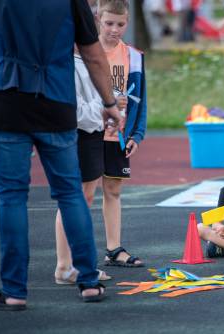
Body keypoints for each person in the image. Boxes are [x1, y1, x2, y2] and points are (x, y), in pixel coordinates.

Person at [0, 0, 124, 309]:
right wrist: (109, 102)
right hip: (54, 99)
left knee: (12, 195)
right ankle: (88, 282)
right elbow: (93, 54)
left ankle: (14, 290)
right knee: (70, 192)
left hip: (3, 97)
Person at [55, 0, 148, 279]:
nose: (114, 29)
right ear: (97, 20)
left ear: (127, 23)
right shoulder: (84, 53)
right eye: (109, 23)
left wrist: (137, 133)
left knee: (113, 190)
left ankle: (114, 248)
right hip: (90, 129)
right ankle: (69, 262)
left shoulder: (134, 56)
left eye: (120, 24)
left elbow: (140, 99)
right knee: (84, 194)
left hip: (118, 133)